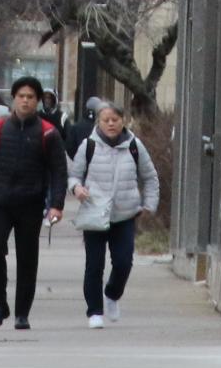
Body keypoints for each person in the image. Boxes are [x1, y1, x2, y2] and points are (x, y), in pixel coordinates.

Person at [0, 75, 65, 330]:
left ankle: (22, 312)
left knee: (27, 258)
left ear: (37, 101)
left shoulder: (48, 133)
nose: (25, 101)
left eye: (31, 97)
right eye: (21, 96)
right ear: (14, 99)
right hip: (0, 203)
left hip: (31, 204)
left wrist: (56, 204)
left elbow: (59, 171)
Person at [64, 102, 161, 328]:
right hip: (94, 213)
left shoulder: (134, 146)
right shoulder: (88, 146)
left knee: (123, 261)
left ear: (123, 121)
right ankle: (94, 311)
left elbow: (150, 177)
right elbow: (74, 176)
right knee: (94, 265)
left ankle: (112, 294)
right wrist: (77, 188)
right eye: (105, 120)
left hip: (125, 214)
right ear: (98, 121)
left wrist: (149, 205)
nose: (110, 124)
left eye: (115, 120)